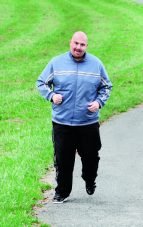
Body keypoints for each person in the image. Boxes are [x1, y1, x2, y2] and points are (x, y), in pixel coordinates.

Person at [37, 31, 112, 204]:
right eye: (76, 43)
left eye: (82, 45)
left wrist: (99, 102)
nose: (78, 47)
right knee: (63, 159)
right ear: (70, 43)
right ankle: (62, 191)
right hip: (62, 122)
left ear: (86, 46)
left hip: (88, 122)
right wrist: (51, 96)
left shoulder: (96, 64)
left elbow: (107, 86)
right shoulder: (56, 63)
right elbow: (41, 82)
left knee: (91, 157)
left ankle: (89, 178)